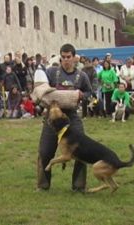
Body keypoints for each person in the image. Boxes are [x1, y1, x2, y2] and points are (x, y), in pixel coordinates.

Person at [37, 44, 91, 192]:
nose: (66, 60)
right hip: (52, 117)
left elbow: (89, 93)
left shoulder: (82, 76)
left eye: (68, 57)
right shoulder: (52, 72)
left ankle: (79, 186)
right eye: (63, 57)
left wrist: (82, 95)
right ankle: (42, 185)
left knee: (82, 149)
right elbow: (41, 87)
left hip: (72, 116)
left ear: (74, 58)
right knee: (45, 151)